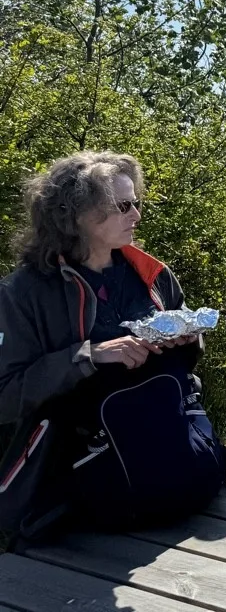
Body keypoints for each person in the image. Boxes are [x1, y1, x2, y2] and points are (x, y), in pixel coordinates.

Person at [0, 152, 202, 431]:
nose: (137, 215)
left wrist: (186, 339)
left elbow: (188, 360)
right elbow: (6, 398)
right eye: (123, 206)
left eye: (136, 203)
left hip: (165, 436)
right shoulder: (23, 294)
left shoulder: (152, 274)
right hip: (80, 459)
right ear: (76, 214)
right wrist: (88, 356)